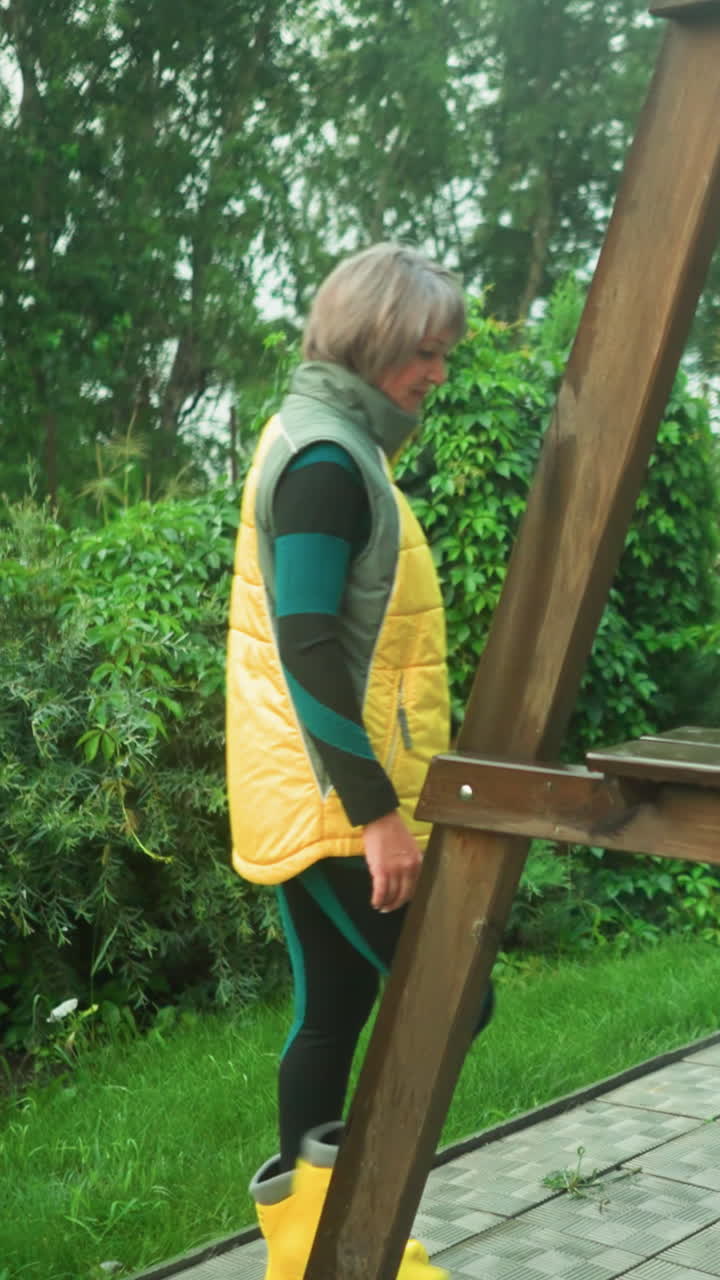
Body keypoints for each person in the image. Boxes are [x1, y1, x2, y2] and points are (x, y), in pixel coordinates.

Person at [226, 243, 492, 1280]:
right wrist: (378, 813)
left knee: (333, 1013)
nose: (437, 371)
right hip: (335, 798)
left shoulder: (335, 438)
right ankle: (354, 1232)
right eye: (427, 351)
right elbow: (305, 645)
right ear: (376, 339)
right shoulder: (329, 463)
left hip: (317, 788)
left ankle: (315, 1249)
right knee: (451, 998)